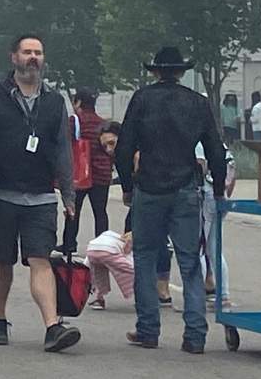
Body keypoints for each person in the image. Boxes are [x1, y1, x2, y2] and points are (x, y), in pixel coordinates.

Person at [0, 34, 80, 353]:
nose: (33, 58)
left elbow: (63, 152)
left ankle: (52, 327)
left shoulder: (55, 102)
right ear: (13, 57)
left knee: (40, 258)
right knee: (2, 258)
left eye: (38, 53)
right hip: (1, 194)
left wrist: (69, 195)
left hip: (40, 196)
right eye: (27, 52)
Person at [115, 46, 225, 354]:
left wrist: (126, 185)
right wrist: (217, 189)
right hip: (185, 187)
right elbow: (215, 149)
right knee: (190, 260)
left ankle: (148, 329)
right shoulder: (198, 103)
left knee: (146, 258)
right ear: (181, 72)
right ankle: (195, 335)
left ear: (155, 71)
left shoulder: (142, 100)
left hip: (149, 186)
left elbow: (124, 148)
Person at [57, 88, 112, 254]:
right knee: (100, 211)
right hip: (102, 174)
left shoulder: (74, 121)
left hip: (80, 175)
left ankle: (69, 244)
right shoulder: (103, 123)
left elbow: (63, 144)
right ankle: (103, 245)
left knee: (74, 209)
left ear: (78, 102)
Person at [197, 140, 236, 309]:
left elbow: (200, 166)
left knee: (197, 247)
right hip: (220, 196)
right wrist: (224, 193)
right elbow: (232, 173)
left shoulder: (199, 143)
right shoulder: (222, 145)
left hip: (206, 195)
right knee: (214, 249)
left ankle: (196, 298)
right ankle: (224, 294)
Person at [83, 230, 134, 310]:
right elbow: (127, 254)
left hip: (91, 250)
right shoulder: (129, 240)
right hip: (108, 252)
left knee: (98, 273)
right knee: (134, 271)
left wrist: (86, 268)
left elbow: (88, 260)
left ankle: (99, 298)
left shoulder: (108, 234)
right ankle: (143, 295)